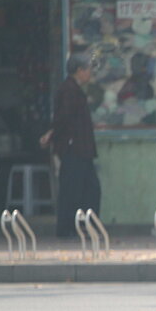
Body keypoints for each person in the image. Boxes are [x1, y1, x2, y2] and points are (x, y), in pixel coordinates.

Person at [39, 53, 101, 238]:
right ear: (79, 71)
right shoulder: (68, 90)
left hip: (82, 149)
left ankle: (85, 228)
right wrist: (52, 134)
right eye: (88, 69)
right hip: (73, 148)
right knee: (72, 191)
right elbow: (63, 119)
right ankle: (67, 230)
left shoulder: (75, 90)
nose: (90, 73)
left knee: (90, 190)